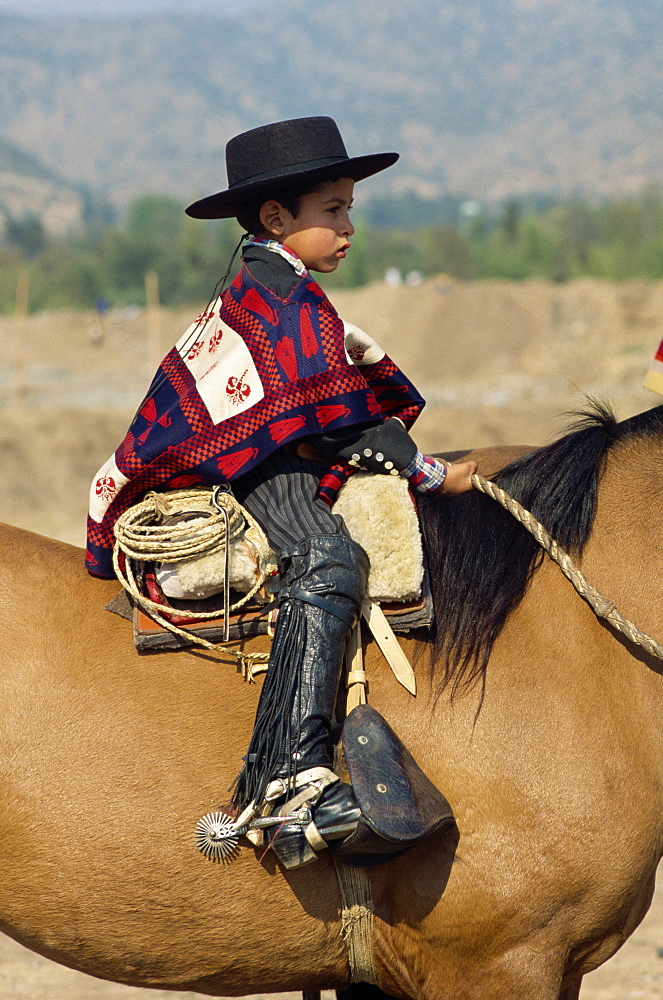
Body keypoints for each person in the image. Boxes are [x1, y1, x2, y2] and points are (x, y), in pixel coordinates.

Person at [86, 116, 476, 867]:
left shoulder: (274, 283)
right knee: (328, 560)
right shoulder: (282, 298)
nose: (348, 227)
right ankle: (292, 774)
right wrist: (428, 472)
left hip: (253, 447)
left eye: (348, 209)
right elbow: (337, 420)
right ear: (276, 218)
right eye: (332, 210)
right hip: (243, 462)